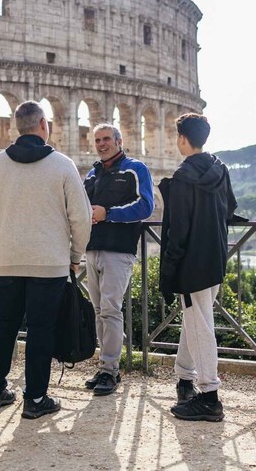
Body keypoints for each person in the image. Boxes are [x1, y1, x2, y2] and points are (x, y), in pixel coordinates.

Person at [0, 100, 92, 419]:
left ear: (18, 126)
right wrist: (74, 255)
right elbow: (81, 218)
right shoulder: (63, 165)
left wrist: (3, 236)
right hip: (49, 263)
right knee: (42, 330)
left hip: (7, 261)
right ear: (43, 125)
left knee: (4, 325)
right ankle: (36, 398)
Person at [158, 113, 238, 422]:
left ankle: (209, 397)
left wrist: (168, 271)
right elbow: (230, 208)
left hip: (192, 264)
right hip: (215, 257)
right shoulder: (220, 168)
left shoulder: (183, 178)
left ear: (182, 139)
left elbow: (177, 232)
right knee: (196, 322)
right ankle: (184, 379)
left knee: (200, 326)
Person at [82, 124, 153, 396]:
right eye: (97, 140)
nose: (102, 144)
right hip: (92, 248)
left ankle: (110, 370)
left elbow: (145, 206)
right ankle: (104, 367)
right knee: (99, 310)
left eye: (107, 139)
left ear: (119, 141)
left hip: (118, 250)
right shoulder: (91, 174)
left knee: (110, 309)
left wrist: (107, 213)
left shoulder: (135, 169)